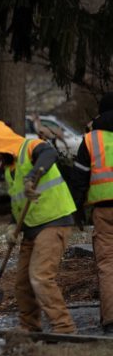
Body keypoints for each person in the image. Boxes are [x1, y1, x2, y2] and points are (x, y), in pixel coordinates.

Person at [0, 120, 77, 334]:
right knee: (23, 283)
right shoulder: (9, 169)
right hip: (32, 227)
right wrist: (12, 227)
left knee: (40, 276)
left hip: (54, 220)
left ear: (3, 145)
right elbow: (18, 203)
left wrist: (33, 175)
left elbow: (49, 154)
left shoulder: (31, 147)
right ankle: (29, 327)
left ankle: (64, 327)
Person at [71, 92, 113, 334]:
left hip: (104, 210)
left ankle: (109, 319)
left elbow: (79, 179)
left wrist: (75, 211)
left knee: (107, 264)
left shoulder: (91, 140)